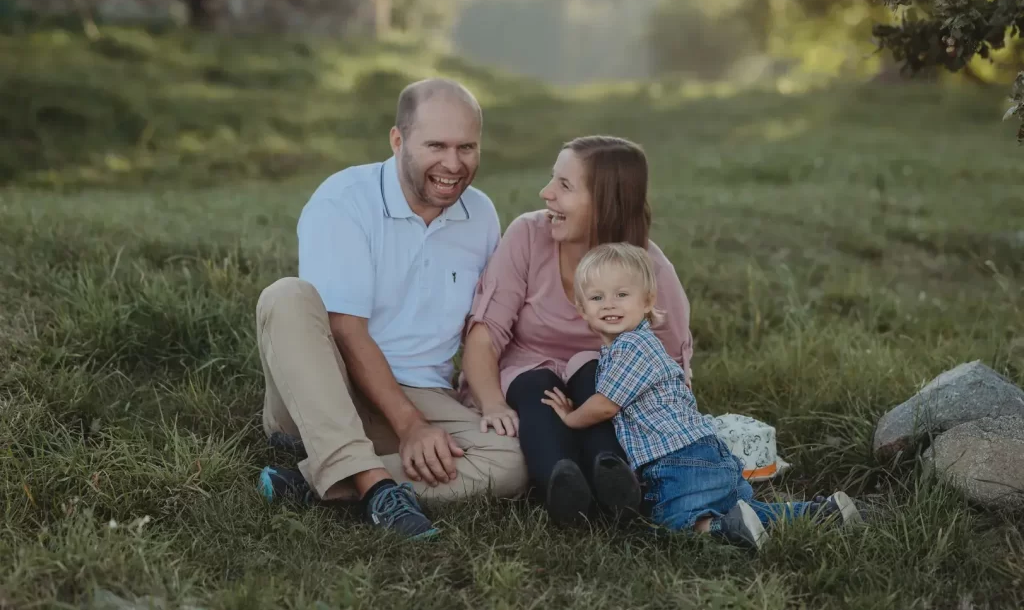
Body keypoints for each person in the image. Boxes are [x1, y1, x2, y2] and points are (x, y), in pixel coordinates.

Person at [254, 78, 527, 540]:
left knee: (513, 462)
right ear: (397, 140)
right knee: (286, 296)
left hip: (426, 392)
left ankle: (318, 478)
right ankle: (376, 485)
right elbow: (345, 329)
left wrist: (489, 393)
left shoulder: (480, 215)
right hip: (326, 385)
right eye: (436, 145)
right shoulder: (344, 200)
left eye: (467, 147)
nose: (453, 164)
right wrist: (411, 426)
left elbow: (486, 327)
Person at [540, 242, 863, 548]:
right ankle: (822, 512)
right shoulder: (627, 348)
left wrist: (571, 417)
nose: (609, 303)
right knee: (744, 510)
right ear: (582, 309)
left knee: (674, 519)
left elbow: (605, 407)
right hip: (703, 453)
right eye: (597, 298)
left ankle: (725, 531)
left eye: (622, 294)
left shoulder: (632, 346)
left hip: (680, 460)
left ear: (648, 300)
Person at [459, 135, 694, 525]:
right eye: (553, 180)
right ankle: (561, 484)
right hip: (528, 375)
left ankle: (614, 478)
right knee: (535, 388)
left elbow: (668, 366)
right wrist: (492, 403)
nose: (546, 193)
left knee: (594, 377)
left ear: (605, 202)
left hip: (603, 388)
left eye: (564, 186)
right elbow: (484, 334)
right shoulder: (528, 237)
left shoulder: (649, 269)